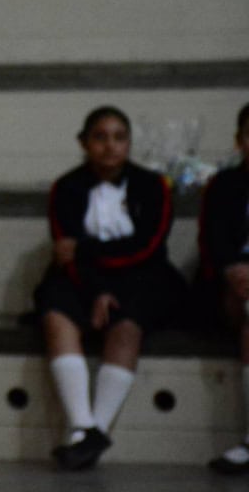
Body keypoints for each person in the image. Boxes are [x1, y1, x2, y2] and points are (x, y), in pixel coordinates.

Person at [32, 105, 185, 470]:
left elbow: (147, 248)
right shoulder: (66, 187)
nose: (110, 146)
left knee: (128, 322)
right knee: (55, 310)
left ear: (129, 143)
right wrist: (97, 288)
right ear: (83, 143)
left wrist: (86, 249)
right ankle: (83, 426)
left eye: (119, 137)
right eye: (100, 137)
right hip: (83, 279)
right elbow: (64, 251)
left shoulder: (154, 186)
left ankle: (94, 430)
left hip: (143, 275)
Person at [199, 103, 249, 474]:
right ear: (238, 140)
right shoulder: (224, 185)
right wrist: (233, 270)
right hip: (236, 284)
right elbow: (212, 241)